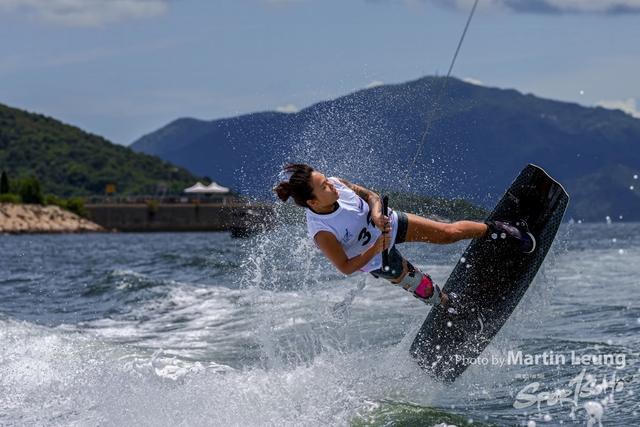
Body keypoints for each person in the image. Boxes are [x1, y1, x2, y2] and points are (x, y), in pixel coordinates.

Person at [273, 163, 536, 315]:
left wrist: (377, 214)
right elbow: (345, 267)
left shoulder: (338, 183)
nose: (331, 184)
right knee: (423, 288)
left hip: (390, 224)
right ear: (313, 202)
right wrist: (376, 247)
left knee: (447, 234)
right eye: (324, 187)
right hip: (375, 257)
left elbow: (371, 196)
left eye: (326, 180)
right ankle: (451, 308)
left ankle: (496, 229)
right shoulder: (322, 232)